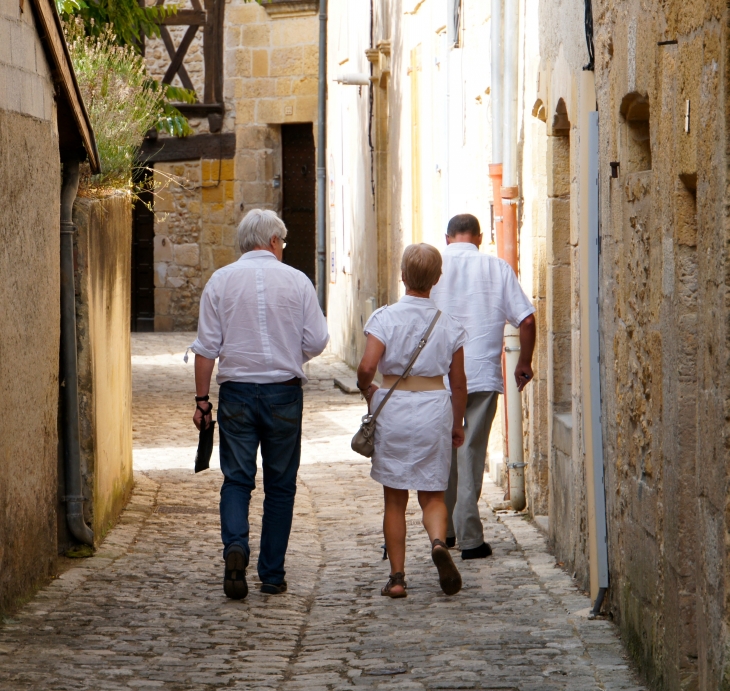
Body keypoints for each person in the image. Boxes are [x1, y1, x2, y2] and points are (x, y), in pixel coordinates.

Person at [190, 209, 329, 600]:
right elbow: (317, 340)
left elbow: (206, 349)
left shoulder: (220, 281)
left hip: (235, 394)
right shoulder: (298, 281)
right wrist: (291, 353)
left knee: (237, 480)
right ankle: (271, 574)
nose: (282, 248)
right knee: (280, 486)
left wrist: (202, 402)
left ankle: (236, 547)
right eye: (281, 242)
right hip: (283, 392)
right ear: (272, 242)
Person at [356, 243, 468, 598]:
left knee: (395, 499)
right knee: (433, 494)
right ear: (436, 279)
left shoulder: (385, 318)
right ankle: (437, 542)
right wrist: (457, 422)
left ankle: (398, 578)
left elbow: (366, 368)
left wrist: (369, 391)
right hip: (435, 406)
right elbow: (460, 381)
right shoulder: (449, 324)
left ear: (402, 276)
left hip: (395, 408)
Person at [430, 213, 536, 559]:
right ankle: (471, 538)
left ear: (448, 239)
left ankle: (443, 531)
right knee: (471, 449)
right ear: (478, 238)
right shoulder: (496, 268)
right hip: (480, 373)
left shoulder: (432, 265)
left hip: (439, 376)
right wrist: (523, 363)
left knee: (444, 451)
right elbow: (527, 319)